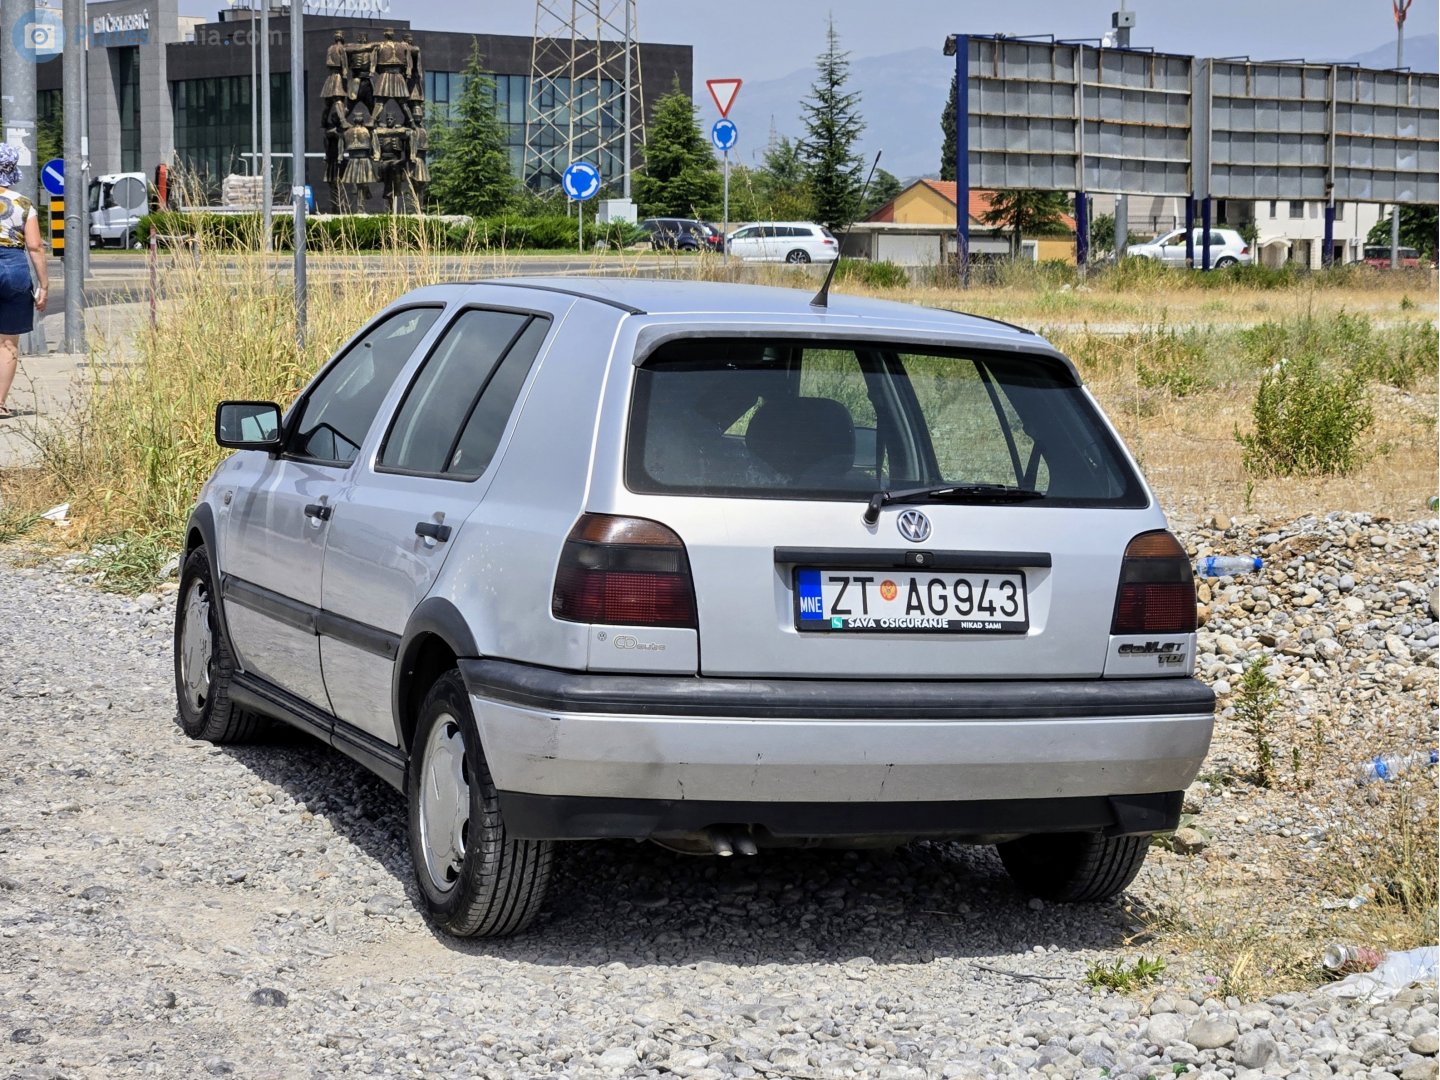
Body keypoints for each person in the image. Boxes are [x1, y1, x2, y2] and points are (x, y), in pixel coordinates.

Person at [0, 144, 47, 420]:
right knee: (8, 343)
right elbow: (35, 247)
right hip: (14, 268)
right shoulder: (24, 204)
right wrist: (44, 285)